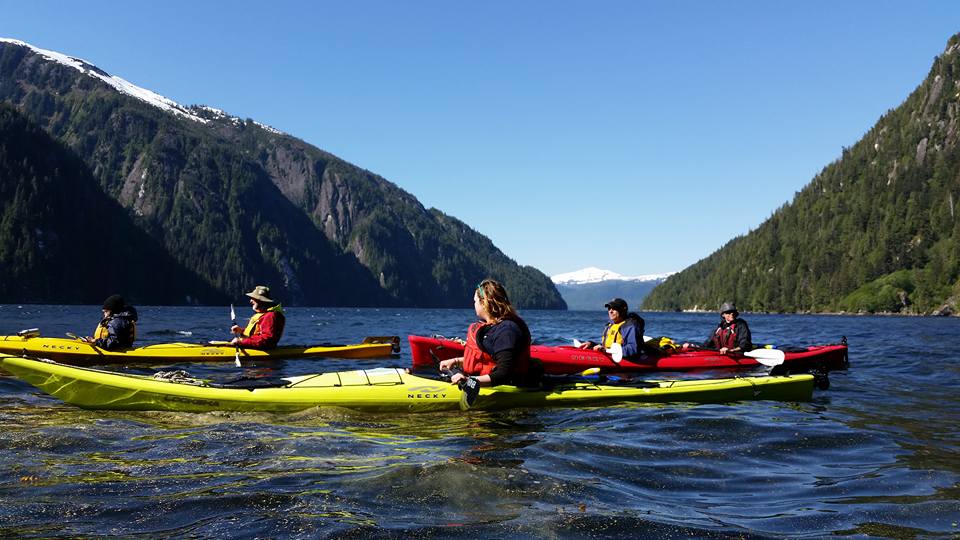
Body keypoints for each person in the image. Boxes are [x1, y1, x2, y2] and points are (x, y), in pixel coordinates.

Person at [438, 279, 540, 388]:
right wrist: (456, 361)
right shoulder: (491, 327)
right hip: (480, 380)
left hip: (506, 386)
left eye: (475, 301)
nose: (474, 304)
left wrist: (469, 381)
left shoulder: (507, 331)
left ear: (483, 303)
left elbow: (504, 373)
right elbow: (486, 360)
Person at [577, 298, 646, 359]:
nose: (610, 311)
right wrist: (592, 344)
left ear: (623, 310)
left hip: (625, 359)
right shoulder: (610, 325)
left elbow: (633, 348)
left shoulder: (630, 326)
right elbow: (607, 345)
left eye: (614, 308)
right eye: (609, 308)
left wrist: (607, 350)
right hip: (610, 354)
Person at [684, 301, 752, 354]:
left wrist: (731, 350)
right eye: (729, 312)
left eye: (733, 312)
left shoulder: (741, 325)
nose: (732, 314)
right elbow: (707, 344)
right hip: (722, 354)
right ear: (723, 315)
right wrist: (693, 346)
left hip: (737, 354)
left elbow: (745, 345)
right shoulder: (720, 327)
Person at [230, 285, 285, 349]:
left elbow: (267, 340)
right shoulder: (263, 314)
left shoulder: (270, 316)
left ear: (261, 301)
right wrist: (241, 331)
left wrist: (241, 342)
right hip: (251, 346)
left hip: (261, 349)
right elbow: (256, 333)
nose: (250, 301)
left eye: (253, 298)